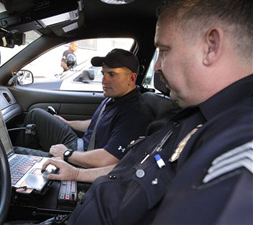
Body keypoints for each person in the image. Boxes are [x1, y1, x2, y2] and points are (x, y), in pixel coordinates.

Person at [41, 0, 253, 224]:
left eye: (164, 50)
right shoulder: (185, 116)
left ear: (210, 47)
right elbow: (130, 170)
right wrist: (76, 174)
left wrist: (68, 156)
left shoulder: (236, 145)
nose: (157, 66)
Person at [20, 49, 154, 168]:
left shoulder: (135, 113)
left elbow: (108, 160)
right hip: (80, 145)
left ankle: (30, 164)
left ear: (131, 78)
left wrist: (66, 154)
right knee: (35, 115)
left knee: (17, 155)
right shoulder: (115, 97)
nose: (104, 80)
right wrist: (67, 123)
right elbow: (97, 123)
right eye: (103, 73)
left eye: (112, 74)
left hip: (86, 159)